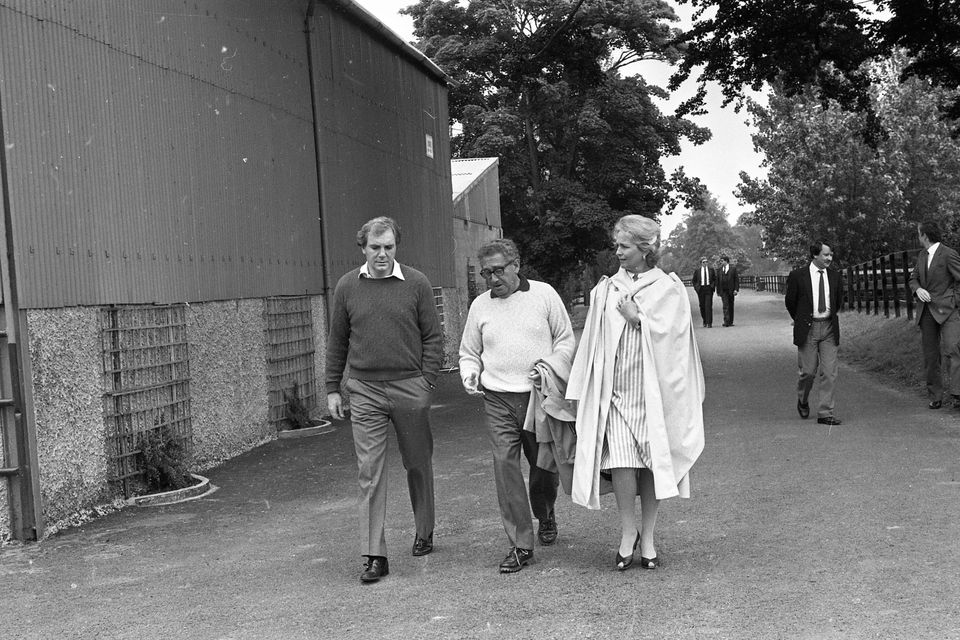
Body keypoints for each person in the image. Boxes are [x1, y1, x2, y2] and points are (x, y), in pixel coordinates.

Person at [567, 215, 705, 571]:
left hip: (651, 391)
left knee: (651, 461)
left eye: (624, 247)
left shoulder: (668, 287)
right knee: (621, 462)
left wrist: (638, 318)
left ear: (645, 249)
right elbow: (593, 343)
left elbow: (676, 339)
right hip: (615, 390)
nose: (618, 253)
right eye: (617, 246)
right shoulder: (607, 288)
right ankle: (627, 532)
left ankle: (648, 536)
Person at [325, 216, 443, 584]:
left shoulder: (417, 283)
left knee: (418, 462)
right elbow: (337, 341)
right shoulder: (347, 286)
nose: (382, 254)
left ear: (396, 247)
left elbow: (433, 338)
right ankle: (375, 554)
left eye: (388, 247)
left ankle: (424, 530)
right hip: (365, 390)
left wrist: (426, 382)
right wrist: (333, 387)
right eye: (375, 248)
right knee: (369, 472)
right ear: (363, 248)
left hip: (410, 387)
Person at [459, 239, 575, 573]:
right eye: (486, 273)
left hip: (537, 397)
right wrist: (470, 373)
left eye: (498, 270)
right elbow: (469, 351)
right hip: (497, 398)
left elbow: (565, 340)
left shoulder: (543, 295)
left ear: (516, 264)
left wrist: (551, 366)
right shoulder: (480, 306)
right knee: (504, 468)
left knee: (542, 468)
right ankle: (521, 544)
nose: (492, 279)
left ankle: (546, 512)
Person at [784, 240, 843, 425]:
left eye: (831, 255)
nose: (829, 258)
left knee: (829, 372)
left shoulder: (835, 276)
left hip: (828, 329)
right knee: (808, 372)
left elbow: (838, 301)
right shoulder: (797, 276)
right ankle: (802, 399)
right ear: (815, 255)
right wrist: (801, 320)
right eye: (826, 255)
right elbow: (790, 302)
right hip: (808, 329)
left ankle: (826, 413)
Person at [909, 220, 960, 410]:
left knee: (953, 349)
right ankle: (935, 396)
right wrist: (918, 289)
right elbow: (913, 278)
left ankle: (957, 394)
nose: (918, 237)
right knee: (930, 356)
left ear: (925, 235)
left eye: (918, 233)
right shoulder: (922, 255)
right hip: (926, 312)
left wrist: (955, 300)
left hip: (948, 311)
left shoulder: (949, 254)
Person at [691, 256, 716, 327]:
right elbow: (694, 280)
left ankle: (709, 322)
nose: (705, 263)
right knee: (702, 306)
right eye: (703, 262)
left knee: (708, 305)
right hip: (701, 289)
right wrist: (697, 288)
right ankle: (705, 320)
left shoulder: (711, 270)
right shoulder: (697, 271)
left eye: (706, 262)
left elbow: (714, 279)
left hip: (709, 289)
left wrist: (712, 286)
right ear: (701, 263)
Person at [716, 255, 740, 327]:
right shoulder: (719, 270)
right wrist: (718, 291)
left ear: (726, 261)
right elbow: (717, 281)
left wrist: (736, 289)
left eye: (722, 261)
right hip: (723, 291)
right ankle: (726, 321)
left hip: (731, 290)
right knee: (725, 305)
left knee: (731, 305)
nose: (721, 262)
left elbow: (736, 280)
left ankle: (730, 321)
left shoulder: (733, 269)